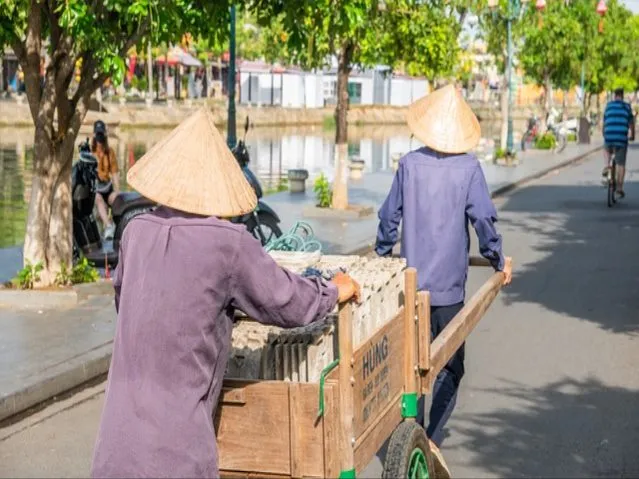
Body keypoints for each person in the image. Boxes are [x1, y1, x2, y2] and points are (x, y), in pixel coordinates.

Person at [90, 108, 361, 479]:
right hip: (178, 455)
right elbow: (287, 301)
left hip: (114, 449)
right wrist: (332, 289)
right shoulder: (228, 243)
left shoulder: (135, 232)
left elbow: (128, 304)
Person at [375, 84, 512, 478]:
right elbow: (484, 221)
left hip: (409, 287)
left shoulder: (408, 165)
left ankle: (412, 434)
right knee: (450, 368)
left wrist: (384, 256)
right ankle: (428, 434)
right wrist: (498, 259)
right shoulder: (469, 168)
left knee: (413, 368)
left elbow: (388, 220)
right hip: (449, 289)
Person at [602, 88, 635, 198]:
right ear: (622, 95)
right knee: (621, 164)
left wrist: (605, 135)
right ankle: (619, 188)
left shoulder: (608, 106)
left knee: (606, 149)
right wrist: (632, 136)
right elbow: (631, 124)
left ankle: (607, 166)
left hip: (609, 136)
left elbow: (604, 122)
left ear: (615, 95)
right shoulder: (626, 106)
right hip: (621, 138)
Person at [92, 120, 120, 239]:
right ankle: (108, 226)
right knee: (98, 199)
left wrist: (117, 191)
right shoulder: (90, 150)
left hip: (107, 187)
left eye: (101, 134)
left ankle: (116, 228)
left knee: (116, 199)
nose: (99, 138)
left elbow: (114, 173)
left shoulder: (110, 151)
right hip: (96, 189)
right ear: (94, 135)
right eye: (97, 134)